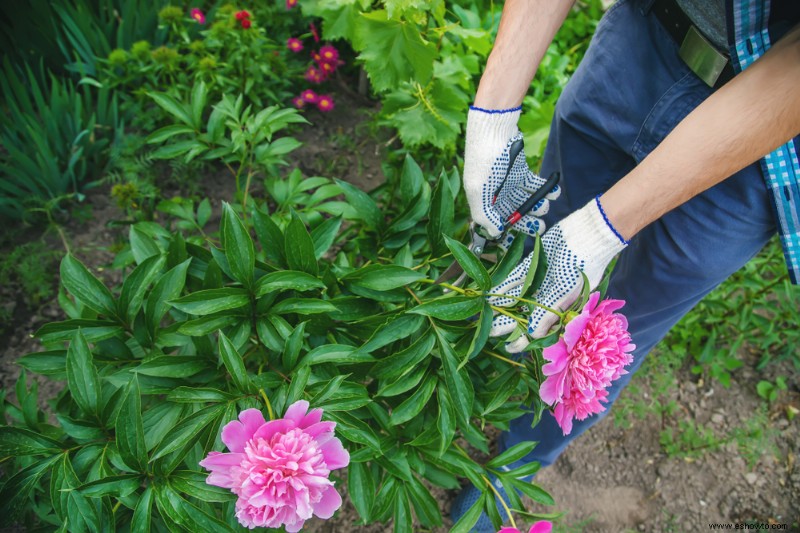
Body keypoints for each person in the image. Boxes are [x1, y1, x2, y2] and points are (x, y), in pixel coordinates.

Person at [451, 0, 800, 530]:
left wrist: (599, 233)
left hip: (762, 147)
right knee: (535, 246)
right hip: (646, 36)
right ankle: (457, 377)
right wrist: (493, 115)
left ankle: (513, 463)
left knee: (614, 334)